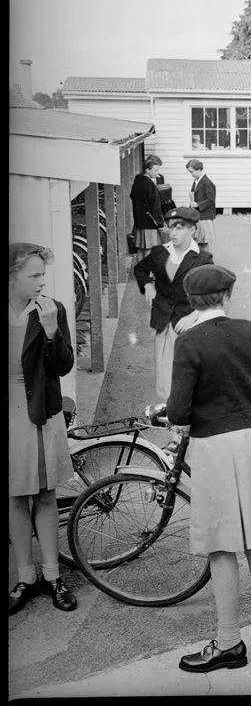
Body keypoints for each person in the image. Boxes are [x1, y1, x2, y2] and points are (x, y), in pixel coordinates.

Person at [166, 265, 251, 672]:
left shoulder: (188, 341)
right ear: (226, 296)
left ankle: (229, 641)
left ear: (191, 301)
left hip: (214, 442)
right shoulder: (248, 329)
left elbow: (179, 409)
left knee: (221, 543)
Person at [8, 243, 78, 615]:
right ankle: (25, 576)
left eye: (42, 274)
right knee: (15, 497)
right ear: (13, 276)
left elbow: (63, 366)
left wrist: (52, 331)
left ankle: (53, 576)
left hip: (42, 410)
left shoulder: (52, 310)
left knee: (46, 494)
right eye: (34, 275)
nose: (41, 282)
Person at [133, 207, 213, 401]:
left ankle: (189, 412)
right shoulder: (160, 253)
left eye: (180, 228)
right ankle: (170, 411)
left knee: (189, 373)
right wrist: (148, 285)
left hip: (189, 324)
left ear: (193, 230)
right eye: (171, 227)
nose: (174, 233)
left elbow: (212, 295)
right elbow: (140, 269)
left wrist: (194, 315)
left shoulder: (203, 259)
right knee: (164, 373)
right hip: (163, 321)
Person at [129, 155, 166, 262]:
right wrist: (160, 224)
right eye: (155, 170)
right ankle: (147, 275)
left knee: (141, 249)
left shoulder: (138, 180)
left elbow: (132, 196)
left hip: (139, 221)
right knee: (149, 250)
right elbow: (156, 206)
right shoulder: (149, 184)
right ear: (147, 170)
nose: (157, 173)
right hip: (150, 222)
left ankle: (141, 273)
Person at [186, 159, 217, 253]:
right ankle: (202, 261)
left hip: (204, 216)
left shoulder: (207, 182)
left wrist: (198, 204)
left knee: (203, 241)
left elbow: (211, 200)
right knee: (199, 240)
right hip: (198, 215)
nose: (191, 174)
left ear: (199, 169)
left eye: (192, 172)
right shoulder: (196, 181)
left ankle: (206, 261)